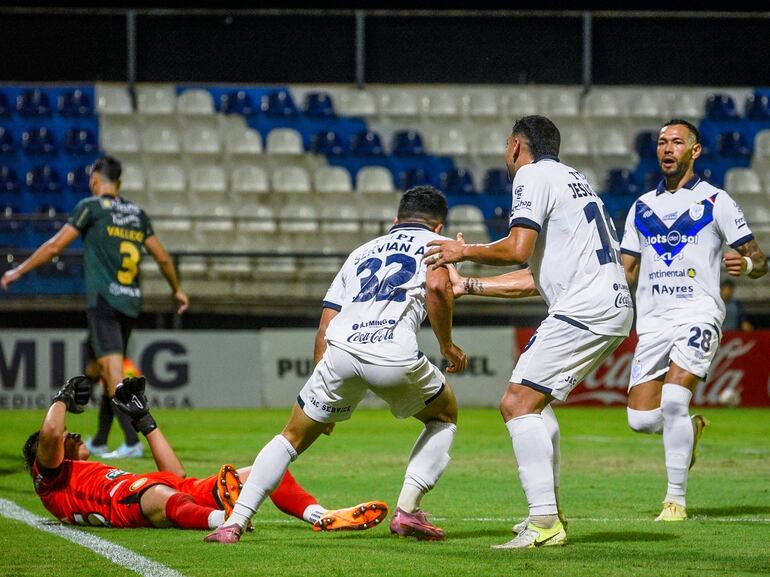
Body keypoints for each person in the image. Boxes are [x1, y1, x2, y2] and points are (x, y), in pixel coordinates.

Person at [204, 185, 467, 544]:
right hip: (392, 351)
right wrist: (447, 345)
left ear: (395, 220)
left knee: (291, 437)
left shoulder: (360, 252)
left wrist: (322, 399)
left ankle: (233, 523)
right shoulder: (441, 246)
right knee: (444, 415)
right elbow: (437, 289)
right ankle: (407, 511)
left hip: (341, 351)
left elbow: (325, 324)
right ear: (438, 227)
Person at [424, 115, 633, 549]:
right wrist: (469, 285)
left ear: (517, 145)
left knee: (516, 403)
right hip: (607, 306)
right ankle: (548, 514)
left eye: (507, 145)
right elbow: (532, 278)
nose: (506, 154)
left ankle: (544, 522)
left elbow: (517, 248)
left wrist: (464, 250)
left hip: (585, 308)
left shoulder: (532, 175)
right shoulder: (576, 181)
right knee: (536, 404)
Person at [619, 119, 767, 521]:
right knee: (640, 420)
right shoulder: (641, 207)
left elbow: (759, 260)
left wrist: (748, 264)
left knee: (672, 401)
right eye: (662, 142)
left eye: (677, 142)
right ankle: (692, 428)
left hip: (698, 313)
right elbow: (625, 270)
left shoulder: (717, 201)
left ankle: (675, 501)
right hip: (653, 322)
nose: (667, 148)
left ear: (695, 151)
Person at [23, 375, 388, 532]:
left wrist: (144, 421)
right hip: (132, 505)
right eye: (64, 436)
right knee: (160, 494)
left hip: (166, 493)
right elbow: (51, 433)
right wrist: (62, 397)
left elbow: (176, 476)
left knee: (265, 470)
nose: (71, 433)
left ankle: (320, 515)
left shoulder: (87, 474)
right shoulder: (52, 481)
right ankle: (224, 520)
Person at [2, 155, 190, 459]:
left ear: (93, 180)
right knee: (96, 370)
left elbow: (55, 246)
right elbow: (163, 257)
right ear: (119, 182)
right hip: (129, 301)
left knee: (112, 374)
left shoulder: (91, 207)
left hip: (104, 302)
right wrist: (177, 289)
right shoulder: (137, 214)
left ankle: (132, 440)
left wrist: (19, 271)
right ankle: (101, 440)